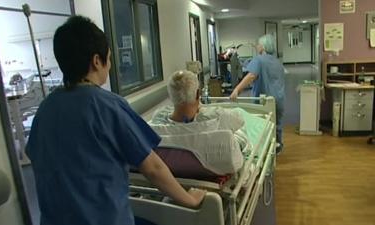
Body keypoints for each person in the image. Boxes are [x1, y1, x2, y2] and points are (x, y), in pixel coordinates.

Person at [26, 16, 205, 225]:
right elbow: (154, 168)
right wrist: (190, 199)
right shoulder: (107, 106)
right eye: (109, 59)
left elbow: (34, 156)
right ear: (96, 61)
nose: (109, 66)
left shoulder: (46, 108)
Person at [150, 70, 251, 151]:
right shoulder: (216, 118)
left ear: (171, 96)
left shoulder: (157, 120)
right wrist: (202, 108)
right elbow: (240, 120)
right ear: (198, 94)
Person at [230, 34, 285, 153]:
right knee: (277, 125)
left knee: (263, 126)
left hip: (264, 100)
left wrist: (237, 90)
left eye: (258, 44)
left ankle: (266, 153)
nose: (257, 46)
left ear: (263, 47)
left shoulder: (259, 60)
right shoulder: (277, 61)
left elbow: (251, 76)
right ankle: (278, 147)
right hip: (279, 99)